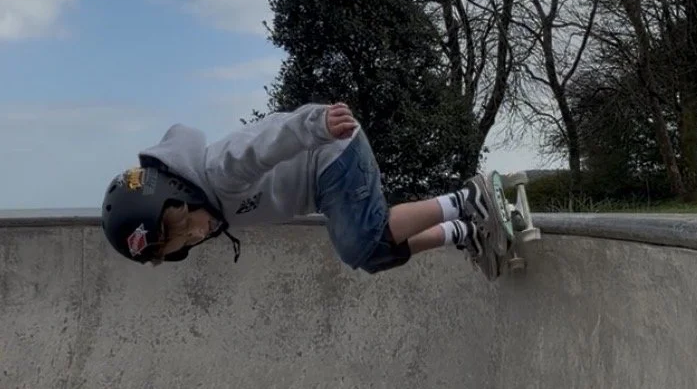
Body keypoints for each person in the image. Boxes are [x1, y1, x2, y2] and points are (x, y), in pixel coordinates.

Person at [101, 102, 510, 280]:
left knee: (360, 242)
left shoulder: (220, 169)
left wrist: (316, 124)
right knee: (373, 258)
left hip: (330, 149)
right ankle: (466, 231)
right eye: (190, 243)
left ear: (180, 192)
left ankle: (467, 200)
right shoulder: (202, 204)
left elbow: (266, 141)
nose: (201, 233)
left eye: (191, 226)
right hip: (323, 179)